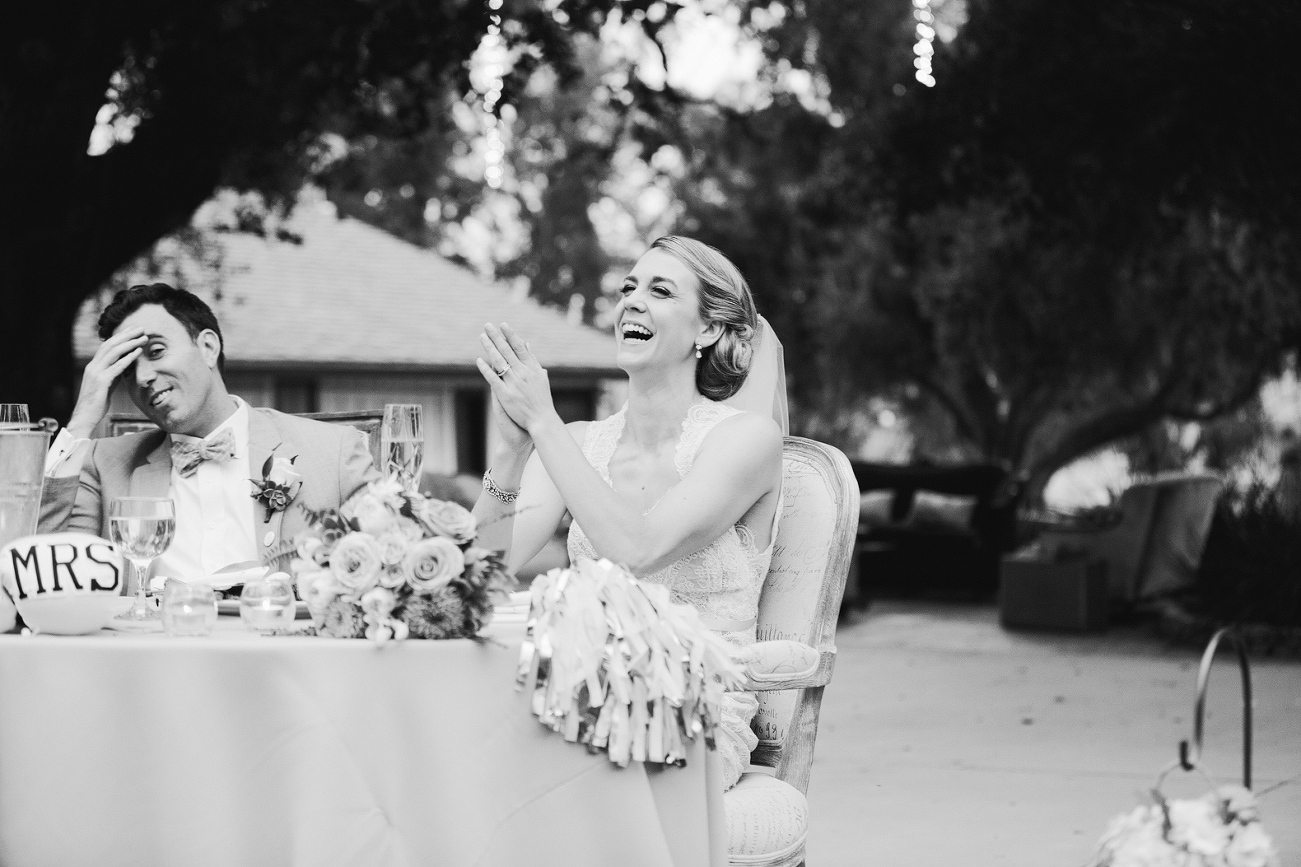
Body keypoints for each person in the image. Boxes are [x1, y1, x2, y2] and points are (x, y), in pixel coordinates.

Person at [471, 236, 786, 790]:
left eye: (660, 291)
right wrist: (511, 452)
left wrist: (543, 423)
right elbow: (481, 572)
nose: (631, 302)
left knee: (533, 775)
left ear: (708, 330)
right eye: (628, 288)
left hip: (696, 706)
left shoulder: (748, 440)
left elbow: (638, 550)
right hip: (578, 685)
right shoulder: (579, 443)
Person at [39, 283, 378, 586]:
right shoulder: (102, 464)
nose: (142, 377)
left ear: (208, 347)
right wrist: (81, 420)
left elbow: (395, 559)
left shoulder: (333, 453)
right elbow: (43, 566)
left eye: (156, 352)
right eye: (127, 370)